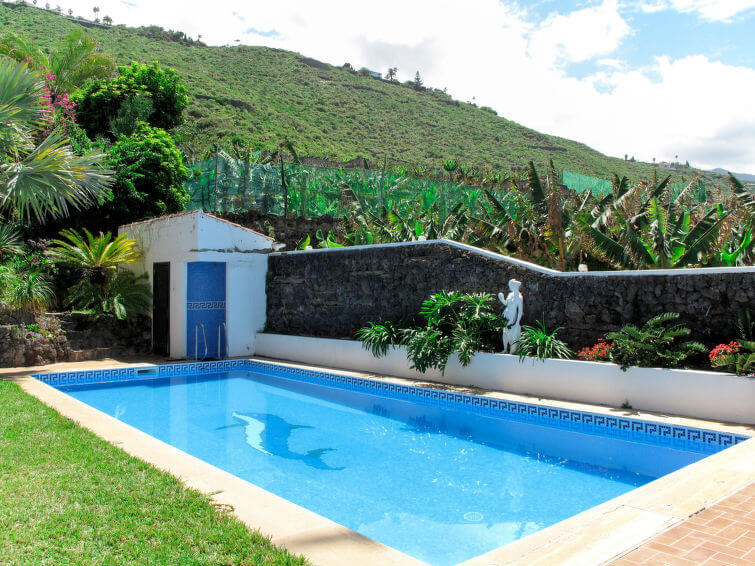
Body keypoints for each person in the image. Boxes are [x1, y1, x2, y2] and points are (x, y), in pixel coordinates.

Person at [498, 279, 523, 354]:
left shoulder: (519, 297)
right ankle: (505, 349)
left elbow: (520, 311)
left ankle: (512, 350)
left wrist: (517, 322)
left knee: (510, 332)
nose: (510, 287)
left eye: (511, 286)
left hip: (512, 317)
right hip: (506, 315)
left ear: (515, 286)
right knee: (504, 332)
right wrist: (502, 299)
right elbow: (506, 304)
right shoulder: (510, 294)